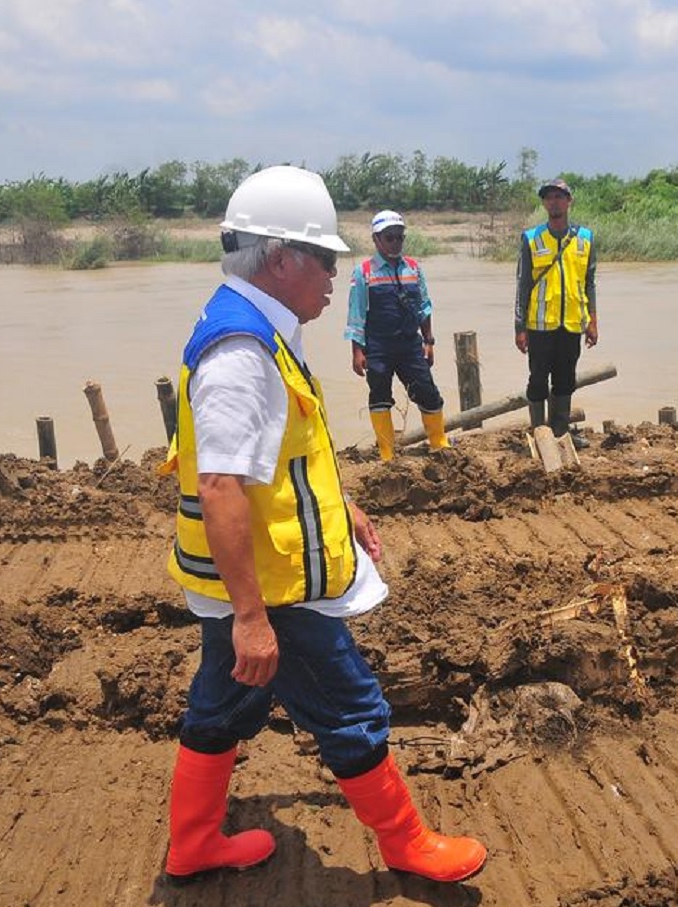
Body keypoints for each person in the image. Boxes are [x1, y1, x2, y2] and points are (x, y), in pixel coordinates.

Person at [159, 165, 487, 884]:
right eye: (325, 259)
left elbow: (283, 457)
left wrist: (343, 506)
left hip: (255, 577)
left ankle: (194, 840)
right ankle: (406, 843)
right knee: (350, 705)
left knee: (222, 702)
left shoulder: (259, 327)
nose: (336, 276)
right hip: (272, 586)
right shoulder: (241, 351)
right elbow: (220, 486)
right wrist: (252, 617)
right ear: (281, 259)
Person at [344, 210, 450, 461]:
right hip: (378, 346)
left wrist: (429, 341)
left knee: (428, 392)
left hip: (410, 345)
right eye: (389, 238)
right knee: (380, 397)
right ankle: (387, 454)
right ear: (376, 239)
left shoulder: (413, 268)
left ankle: (439, 444)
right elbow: (356, 314)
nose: (395, 242)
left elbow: (424, 307)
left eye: (399, 237)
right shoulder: (363, 272)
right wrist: (357, 351)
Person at [514, 177, 598, 442]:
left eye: (559, 196)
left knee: (565, 380)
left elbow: (589, 284)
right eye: (549, 197)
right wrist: (519, 328)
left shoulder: (585, 238)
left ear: (569, 201)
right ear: (544, 203)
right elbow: (522, 286)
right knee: (538, 380)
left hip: (572, 323)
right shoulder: (531, 238)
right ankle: (540, 433)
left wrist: (592, 322)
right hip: (539, 325)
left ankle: (561, 433)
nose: (554, 202)